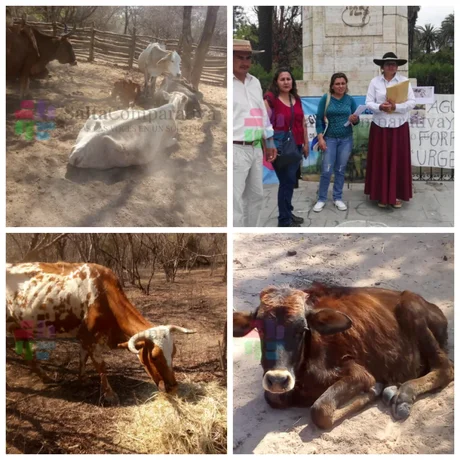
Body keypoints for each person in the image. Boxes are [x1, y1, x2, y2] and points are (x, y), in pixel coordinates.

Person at [233, 39, 277, 227]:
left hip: (256, 146)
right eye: (240, 58)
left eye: (248, 58)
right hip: (235, 148)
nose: (245, 62)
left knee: (256, 196)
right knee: (234, 202)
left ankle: (251, 233)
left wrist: (270, 140)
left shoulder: (255, 82)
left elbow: (261, 114)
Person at [365, 52, 416, 208]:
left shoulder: (404, 82)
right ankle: (381, 195)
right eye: (388, 64)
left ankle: (396, 195)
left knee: (398, 160)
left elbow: (412, 102)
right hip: (380, 126)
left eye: (394, 64)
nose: (391, 66)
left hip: (398, 126)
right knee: (380, 160)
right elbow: (368, 102)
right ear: (382, 67)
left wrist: (396, 107)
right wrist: (380, 106)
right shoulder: (375, 82)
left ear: (397, 66)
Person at [264, 68, 309, 227]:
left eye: (288, 79)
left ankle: (288, 212)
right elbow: (264, 122)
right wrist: (269, 146)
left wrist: (306, 143)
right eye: (282, 79)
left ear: (292, 81)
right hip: (279, 146)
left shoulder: (295, 98)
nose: (286, 82)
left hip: (296, 145)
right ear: (276, 81)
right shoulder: (271, 99)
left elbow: (302, 122)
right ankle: (284, 220)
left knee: (290, 181)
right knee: (286, 181)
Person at [313, 73, 359, 212]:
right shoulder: (326, 99)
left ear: (346, 85)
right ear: (332, 85)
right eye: (337, 83)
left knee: (340, 170)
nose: (340, 86)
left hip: (346, 139)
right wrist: (320, 138)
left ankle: (337, 198)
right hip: (330, 139)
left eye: (343, 83)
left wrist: (354, 119)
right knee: (326, 170)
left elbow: (357, 121)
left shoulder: (350, 100)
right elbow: (319, 119)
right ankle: (321, 198)